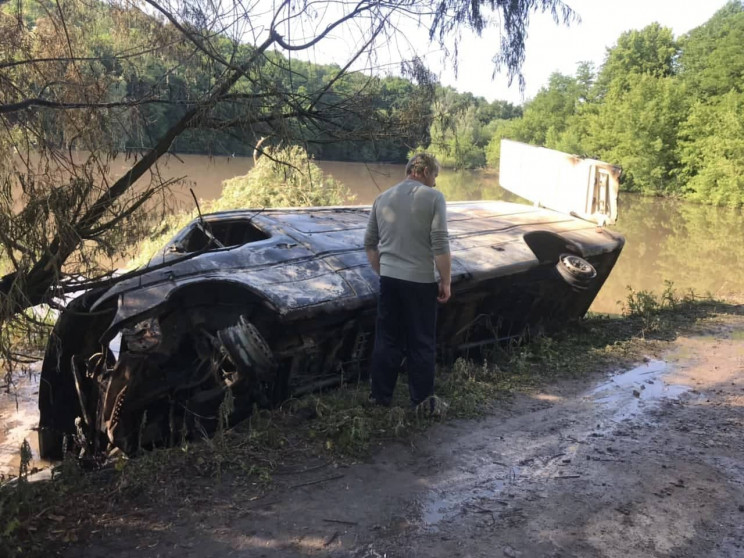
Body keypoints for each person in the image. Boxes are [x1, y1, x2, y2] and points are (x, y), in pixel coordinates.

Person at [364, 152, 451, 409]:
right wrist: (445, 280)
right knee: (421, 341)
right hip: (421, 282)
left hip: (390, 281)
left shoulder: (382, 198)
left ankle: (379, 397)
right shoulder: (434, 197)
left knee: (387, 339)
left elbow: (369, 244)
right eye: (434, 175)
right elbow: (440, 243)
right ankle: (422, 402)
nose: (435, 182)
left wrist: (384, 271)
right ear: (423, 171)